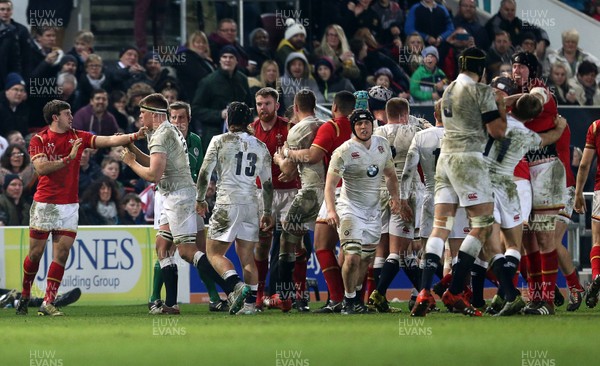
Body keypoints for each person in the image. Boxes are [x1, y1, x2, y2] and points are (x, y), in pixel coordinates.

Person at [15, 99, 149, 316]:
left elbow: (106, 140)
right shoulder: (40, 139)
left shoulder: (78, 136)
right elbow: (40, 168)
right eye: (67, 114)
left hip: (69, 205)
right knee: (36, 254)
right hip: (45, 204)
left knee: (62, 253)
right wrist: (69, 158)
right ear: (55, 117)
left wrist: (135, 136)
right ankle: (25, 293)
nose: (71, 117)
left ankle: (47, 302)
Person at [411, 47, 506, 317]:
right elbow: (497, 131)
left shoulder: (449, 88)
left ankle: (424, 291)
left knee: (440, 227)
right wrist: (501, 106)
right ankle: (454, 289)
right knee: (483, 224)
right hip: (468, 160)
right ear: (482, 68)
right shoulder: (481, 91)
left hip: (445, 159)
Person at [121, 93, 230, 315]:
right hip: (172, 195)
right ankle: (167, 302)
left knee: (188, 251)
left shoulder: (167, 136)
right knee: (163, 247)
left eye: (142, 113)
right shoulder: (164, 133)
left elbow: (153, 174)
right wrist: (132, 149)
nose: (140, 117)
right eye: (175, 117)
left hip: (178, 196)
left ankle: (232, 287)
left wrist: (131, 162)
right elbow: (157, 166)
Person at [196, 101, 273, 315]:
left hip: (227, 202)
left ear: (228, 119)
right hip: (251, 204)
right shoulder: (260, 146)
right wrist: (267, 212)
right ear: (249, 121)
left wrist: (200, 198)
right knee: (247, 256)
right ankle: (250, 306)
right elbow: (267, 184)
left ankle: (236, 286)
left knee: (213, 253)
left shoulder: (219, 141)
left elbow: (204, 173)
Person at [282, 91, 355, 313]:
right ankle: (356, 299)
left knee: (320, 246)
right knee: (353, 251)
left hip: (335, 191)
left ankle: (333, 298)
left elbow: (312, 156)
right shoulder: (364, 129)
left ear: (334, 107)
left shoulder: (330, 127)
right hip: (360, 193)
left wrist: (284, 153)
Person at [324, 108, 399, 314]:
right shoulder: (344, 151)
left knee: (366, 260)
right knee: (352, 257)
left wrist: (395, 198)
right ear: (353, 127)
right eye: (358, 124)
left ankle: (356, 299)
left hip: (373, 211)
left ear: (372, 125)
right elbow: (330, 185)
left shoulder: (382, 145)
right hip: (350, 210)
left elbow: (391, 175)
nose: (363, 127)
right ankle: (348, 301)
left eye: (366, 123)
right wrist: (331, 210)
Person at [272, 90, 326, 312]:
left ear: (295, 108)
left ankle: (285, 297)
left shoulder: (297, 132)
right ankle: (341, 298)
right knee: (326, 245)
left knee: (287, 237)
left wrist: (279, 158)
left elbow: (289, 170)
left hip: (311, 193)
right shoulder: (324, 124)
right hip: (333, 192)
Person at [368, 97, 422, 312]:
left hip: (379, 191)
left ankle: (383, 300)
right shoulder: (414, 132)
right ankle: (378, 295)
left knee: (381, 251)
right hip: (404, 191)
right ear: (405, 114)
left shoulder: (375, 135)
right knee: (400, 251)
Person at [249, 87, 299, 310]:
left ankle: (289, 293)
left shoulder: (288, 128)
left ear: (276, 105)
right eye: (259, 104)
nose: (263, 108)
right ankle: (260, 293)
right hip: (261, 193)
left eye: (267, 103)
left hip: (289, 192)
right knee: (262, 242)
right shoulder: (251, 130)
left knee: (289, 243)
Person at [192, 45, 253, 152]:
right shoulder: (208, 82)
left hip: (240, 136)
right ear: (220, 60)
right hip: (214, 134)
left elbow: (250, 105)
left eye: (231, 57)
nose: (227, 60)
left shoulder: (242, 79)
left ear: (236, 60)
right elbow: (196, 109)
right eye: (224, 57)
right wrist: (219, 114)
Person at [574, 118, 600, 308]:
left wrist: (578, 192)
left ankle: (597, 275)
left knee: (597, 240)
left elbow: (584, 164)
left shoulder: (595, 126)